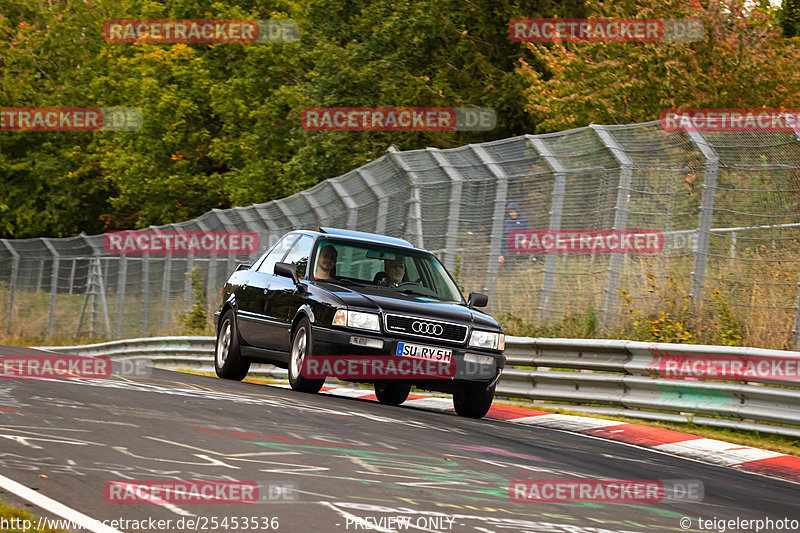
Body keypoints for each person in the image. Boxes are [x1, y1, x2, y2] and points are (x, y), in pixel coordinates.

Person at [499, 201, 532, 266]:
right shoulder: (507, 223)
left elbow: (529, 231)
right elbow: (503, 238)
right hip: (509, 249)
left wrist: (526, 240)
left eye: (514, 211)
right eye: (511, 212)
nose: (513, 214)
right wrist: (501, 253)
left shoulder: (524, 220)